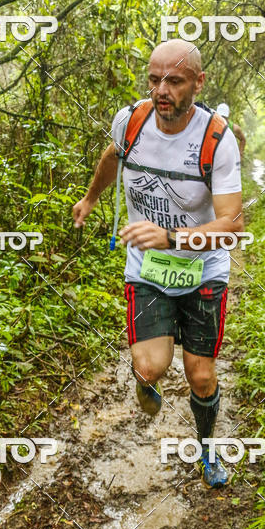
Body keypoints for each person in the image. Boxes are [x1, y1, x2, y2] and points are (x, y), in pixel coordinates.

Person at [72, 39, 243, 488]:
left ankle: (207, 451)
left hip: (203, 270)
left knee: (200, 375)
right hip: (147, 269)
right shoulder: (130, 122)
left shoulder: (216, 139)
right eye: (153, 80)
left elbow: (232, 226)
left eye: (174, 81)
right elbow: (113, 156)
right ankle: (146, 378)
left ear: (198, 83)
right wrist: (91, 198)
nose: (161, 90)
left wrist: (171, 237)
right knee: (149, 368)